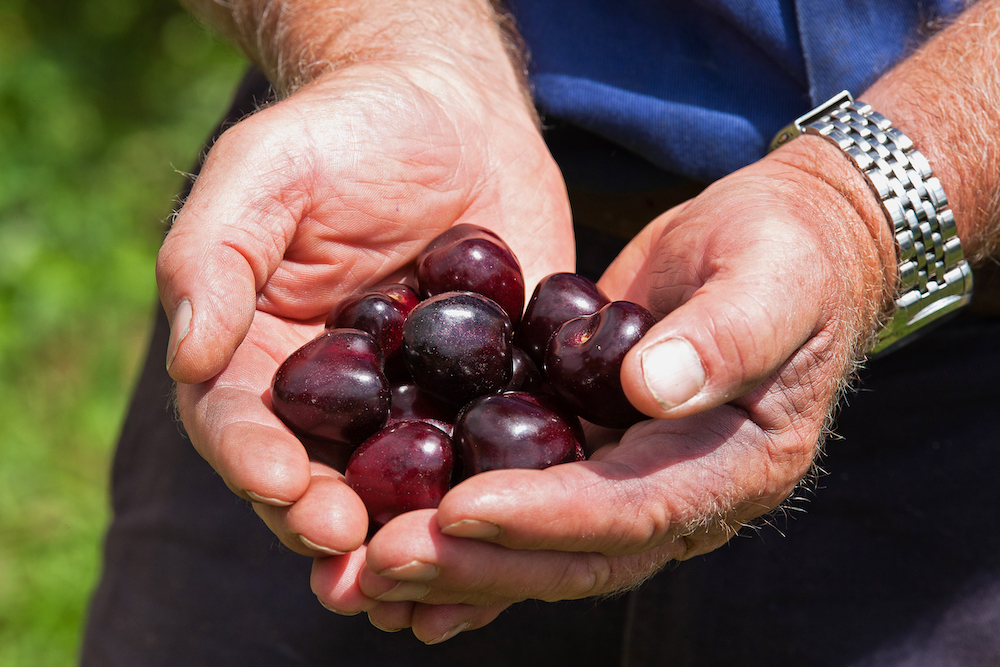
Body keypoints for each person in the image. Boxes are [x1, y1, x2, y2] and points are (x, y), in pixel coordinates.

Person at [82, 0, 1000, 663]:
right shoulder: (417, 328)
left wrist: (863, 209)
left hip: (960, 363)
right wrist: (385, 40)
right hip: (378, 218)